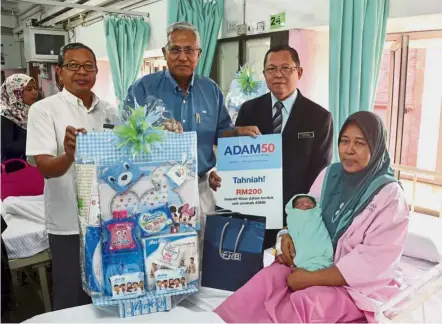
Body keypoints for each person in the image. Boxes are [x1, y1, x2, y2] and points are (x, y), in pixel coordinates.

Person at [215, 111, 409, 323]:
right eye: (344, 141)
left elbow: (373, 262)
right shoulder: (330, 175)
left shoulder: (389, 195)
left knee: (306, 303)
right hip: (308, 260)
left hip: (351, 285)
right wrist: (288, 236)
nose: (349, 150)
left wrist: (311, 279)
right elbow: (305, 215)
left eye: (360, 143)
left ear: (376, 146)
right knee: (265, 280)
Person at [124, 21, 259, 242]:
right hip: (156, 187)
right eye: (175, 50)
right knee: (160, 250)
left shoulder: (211, 90)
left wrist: (237, 133)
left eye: (189, 50)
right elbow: (127, 137)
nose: (182, 57)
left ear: (199, 53)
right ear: (164, 53)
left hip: (201, 186)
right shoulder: (143, 89)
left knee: (204, 252)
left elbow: (221, 132)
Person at [26, 42, 117, 310]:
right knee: (71, 299)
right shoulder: (44, 110)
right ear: (60, 72)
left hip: (108, 220)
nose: (82, 72)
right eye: (73, 66)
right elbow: (44, 167)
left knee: (108, 291)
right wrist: (68, 155)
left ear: (96, 72)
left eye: (88, 66)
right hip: (68, 225)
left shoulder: (110, 111)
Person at [234, 45, 334, 249]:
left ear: (299, 72)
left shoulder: (319, 117)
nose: (278, 74)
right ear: (264, 74)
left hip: (293, 216)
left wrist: (299, 217)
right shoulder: (249, 110)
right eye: (271, 69)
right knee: (250, 272)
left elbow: (319, 174)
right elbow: (236, 161)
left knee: (286, 274)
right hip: (252, 209)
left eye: (286, 68)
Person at [280, 194, 333, 271]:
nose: (306, 204)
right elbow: (290, 227)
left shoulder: (316, 212)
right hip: (296, 256)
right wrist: (283, 234)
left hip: (322, 253)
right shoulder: (293, 215)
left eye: (310, 203)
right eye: (299, 204)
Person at [1, 74, 38, 163]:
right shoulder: (5, 115)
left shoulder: (29, 111)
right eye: (29, 89)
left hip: (31, 165)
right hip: (14, 170)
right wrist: (37, 141)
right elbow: (6, 147)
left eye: (35, 88)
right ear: (15, 92)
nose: (35, 92)